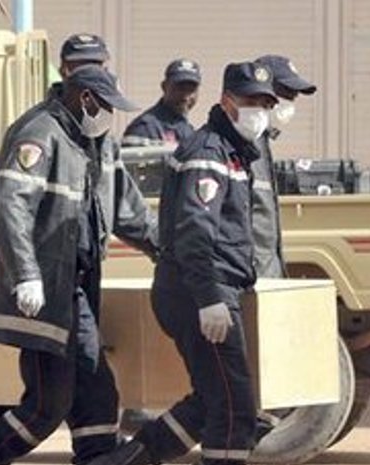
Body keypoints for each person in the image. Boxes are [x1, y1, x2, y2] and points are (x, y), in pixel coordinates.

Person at [0, 64, 158, 465]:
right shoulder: (40, 133)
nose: (111, 115)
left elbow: (128, 212)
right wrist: (26, 275)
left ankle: (98, 458)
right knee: (46, 406)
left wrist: (170, 251)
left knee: (97, 393)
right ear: (86, 98)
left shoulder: (94, 141)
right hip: (45, 292)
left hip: (75, 289)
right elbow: (11, 202)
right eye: (107, 105)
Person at [90, 61, 278, 465]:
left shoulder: (232, 152)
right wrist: (210, 298)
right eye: (252, 101)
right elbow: (195, 233)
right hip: (199, 293)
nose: (260, 110)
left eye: (266, 103)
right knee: (233, 408)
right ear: (227, 102)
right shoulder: (209, 153)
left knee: (210, 402)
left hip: (203, 290)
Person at [250, 54, 317, 279]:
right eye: (286, 93)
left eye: (294, 96)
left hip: (267, 275)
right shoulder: (239, 146)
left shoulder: (261, 143)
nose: (291, 102)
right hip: (248, 279)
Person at [122, 58, 201, 146]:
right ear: (164, 87)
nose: (186, 97)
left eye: (191, 90)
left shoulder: (186, 128)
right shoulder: (145, 128)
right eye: (180, 89)